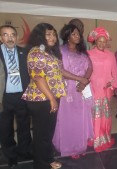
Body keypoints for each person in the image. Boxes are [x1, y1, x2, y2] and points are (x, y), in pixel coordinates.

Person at [21, 23, 67, 169]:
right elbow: (38, 78)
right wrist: (52, 99)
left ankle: (48, 159)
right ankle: (41, 164)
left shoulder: (50, 52)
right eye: (48, 34)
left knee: (47, 133)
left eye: (53, 34)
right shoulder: (36, 53)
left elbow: (58, 73)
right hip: (42, 99)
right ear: (40, 36)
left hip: (49, 97)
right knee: (42, 134)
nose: (52, 37)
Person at [52, 24, 94, 158]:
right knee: (68, 119)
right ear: (67, 36)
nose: (77, 36)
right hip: (67, 90)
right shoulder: (60, 51)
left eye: (78, 34)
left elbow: (90, 67)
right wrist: (80, 79)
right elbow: (60, 70)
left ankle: (80, 145)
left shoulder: (81, 52)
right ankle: (70, 147)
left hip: (81, 89)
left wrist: (84, 81)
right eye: (74, 34)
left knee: (80, 118)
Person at [0, 25, 32, 168]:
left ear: (17, 36)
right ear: (1, 38)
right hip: (4, 97)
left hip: (22, 95)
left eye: (12, 34)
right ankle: (11, 155)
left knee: (24, 125)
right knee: (5, 128)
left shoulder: (24, 52)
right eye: (5, 35)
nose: (10, 37)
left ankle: (25, 151)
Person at [87, 27, 117, 151]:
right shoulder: (88, 54)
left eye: (104, 41)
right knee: (95, 115)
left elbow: (114, 72)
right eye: (99, 41)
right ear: (95, 41)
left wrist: (113, 85)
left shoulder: (111, 55)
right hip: (93, 89)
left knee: (105, 116)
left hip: (106, 90)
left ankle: (104, 137)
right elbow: (86, 72)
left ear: (106, 42)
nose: (101, 43)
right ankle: (95, 138)